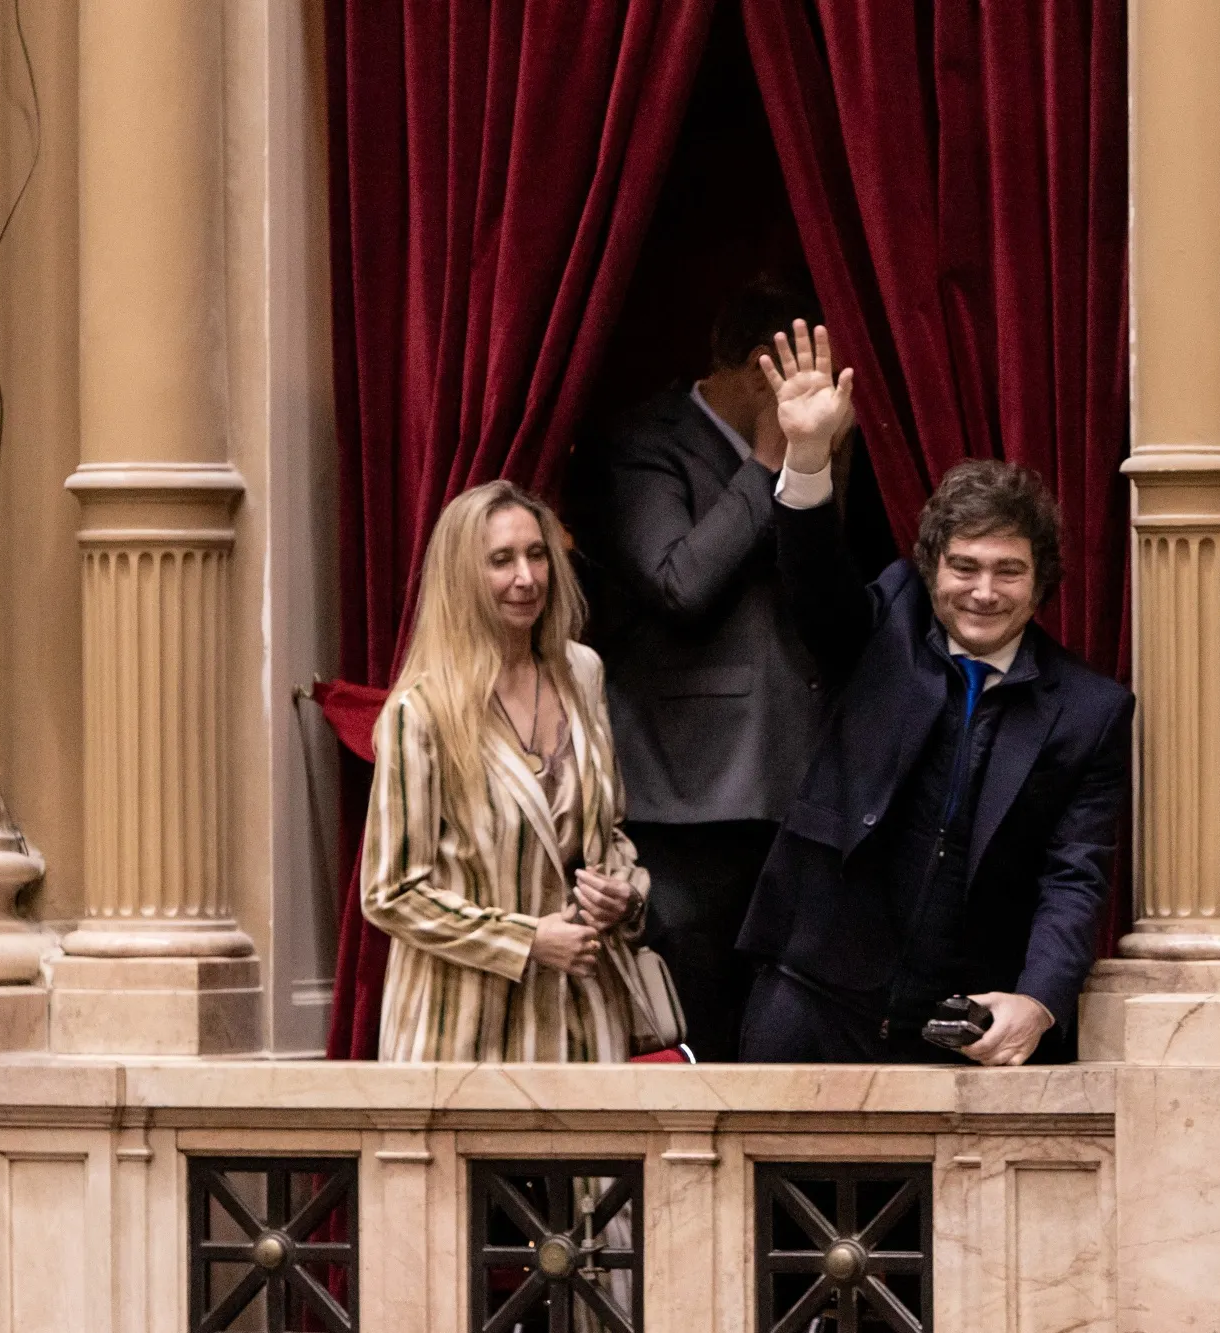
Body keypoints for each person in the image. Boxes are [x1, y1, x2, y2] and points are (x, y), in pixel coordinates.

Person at [736, 323, 1134, 1066]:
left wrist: (1040, 999)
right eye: (964, 566)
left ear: (1042, 581)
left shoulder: (1090, 710)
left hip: (959, 1023)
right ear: (930, 566)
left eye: (1009, 570)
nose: (984, 591)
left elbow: (1074, 872)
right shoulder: (884, 620)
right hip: (813, 997)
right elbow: (816, 583)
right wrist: (810, 454)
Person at [593, 281, 860, 1061]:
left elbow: (833, 604)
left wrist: (813, 466)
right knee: (703, 1027)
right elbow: (680, 582)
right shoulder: (648, 442)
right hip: (690, 800)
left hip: (803, 787)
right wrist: (773, 456)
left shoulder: (830, 447)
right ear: (762, 368)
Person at [361, 480, 650, 1062]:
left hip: (584, 1028)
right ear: (462, 576)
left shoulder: (581, 673)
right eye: (502, 560)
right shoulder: (421, 710)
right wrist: (526, 940)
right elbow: (390, 892)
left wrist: (625, 894)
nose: (526, 577)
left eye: (536, 554)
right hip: (463, 1036)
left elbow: (608, 831)